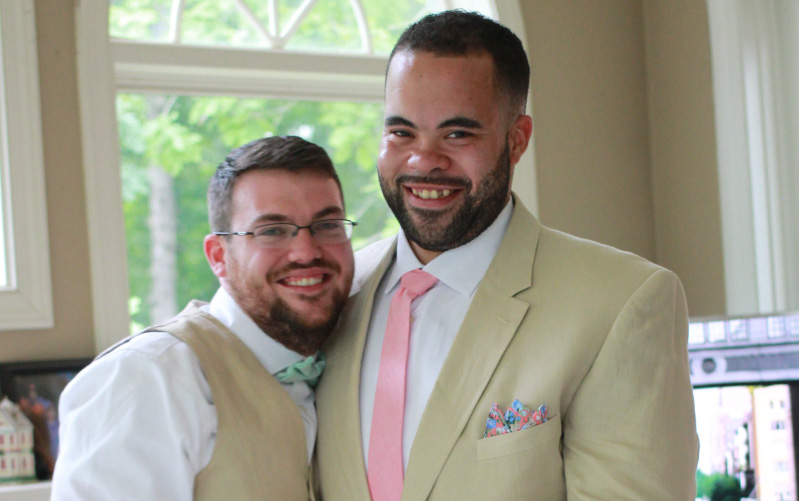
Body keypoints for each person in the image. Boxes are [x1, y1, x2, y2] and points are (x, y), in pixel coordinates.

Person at [315, 10, 699, 500]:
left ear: (516, 140)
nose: (423, 159)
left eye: (458, 134)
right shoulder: (334, 293)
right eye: (401, 132)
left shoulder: (622, 303)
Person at [52, 136, 355, 500]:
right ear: (217, 256)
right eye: (272, 231)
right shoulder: (146, 378)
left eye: (327, 226)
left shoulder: (346, 361)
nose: (307, 251)